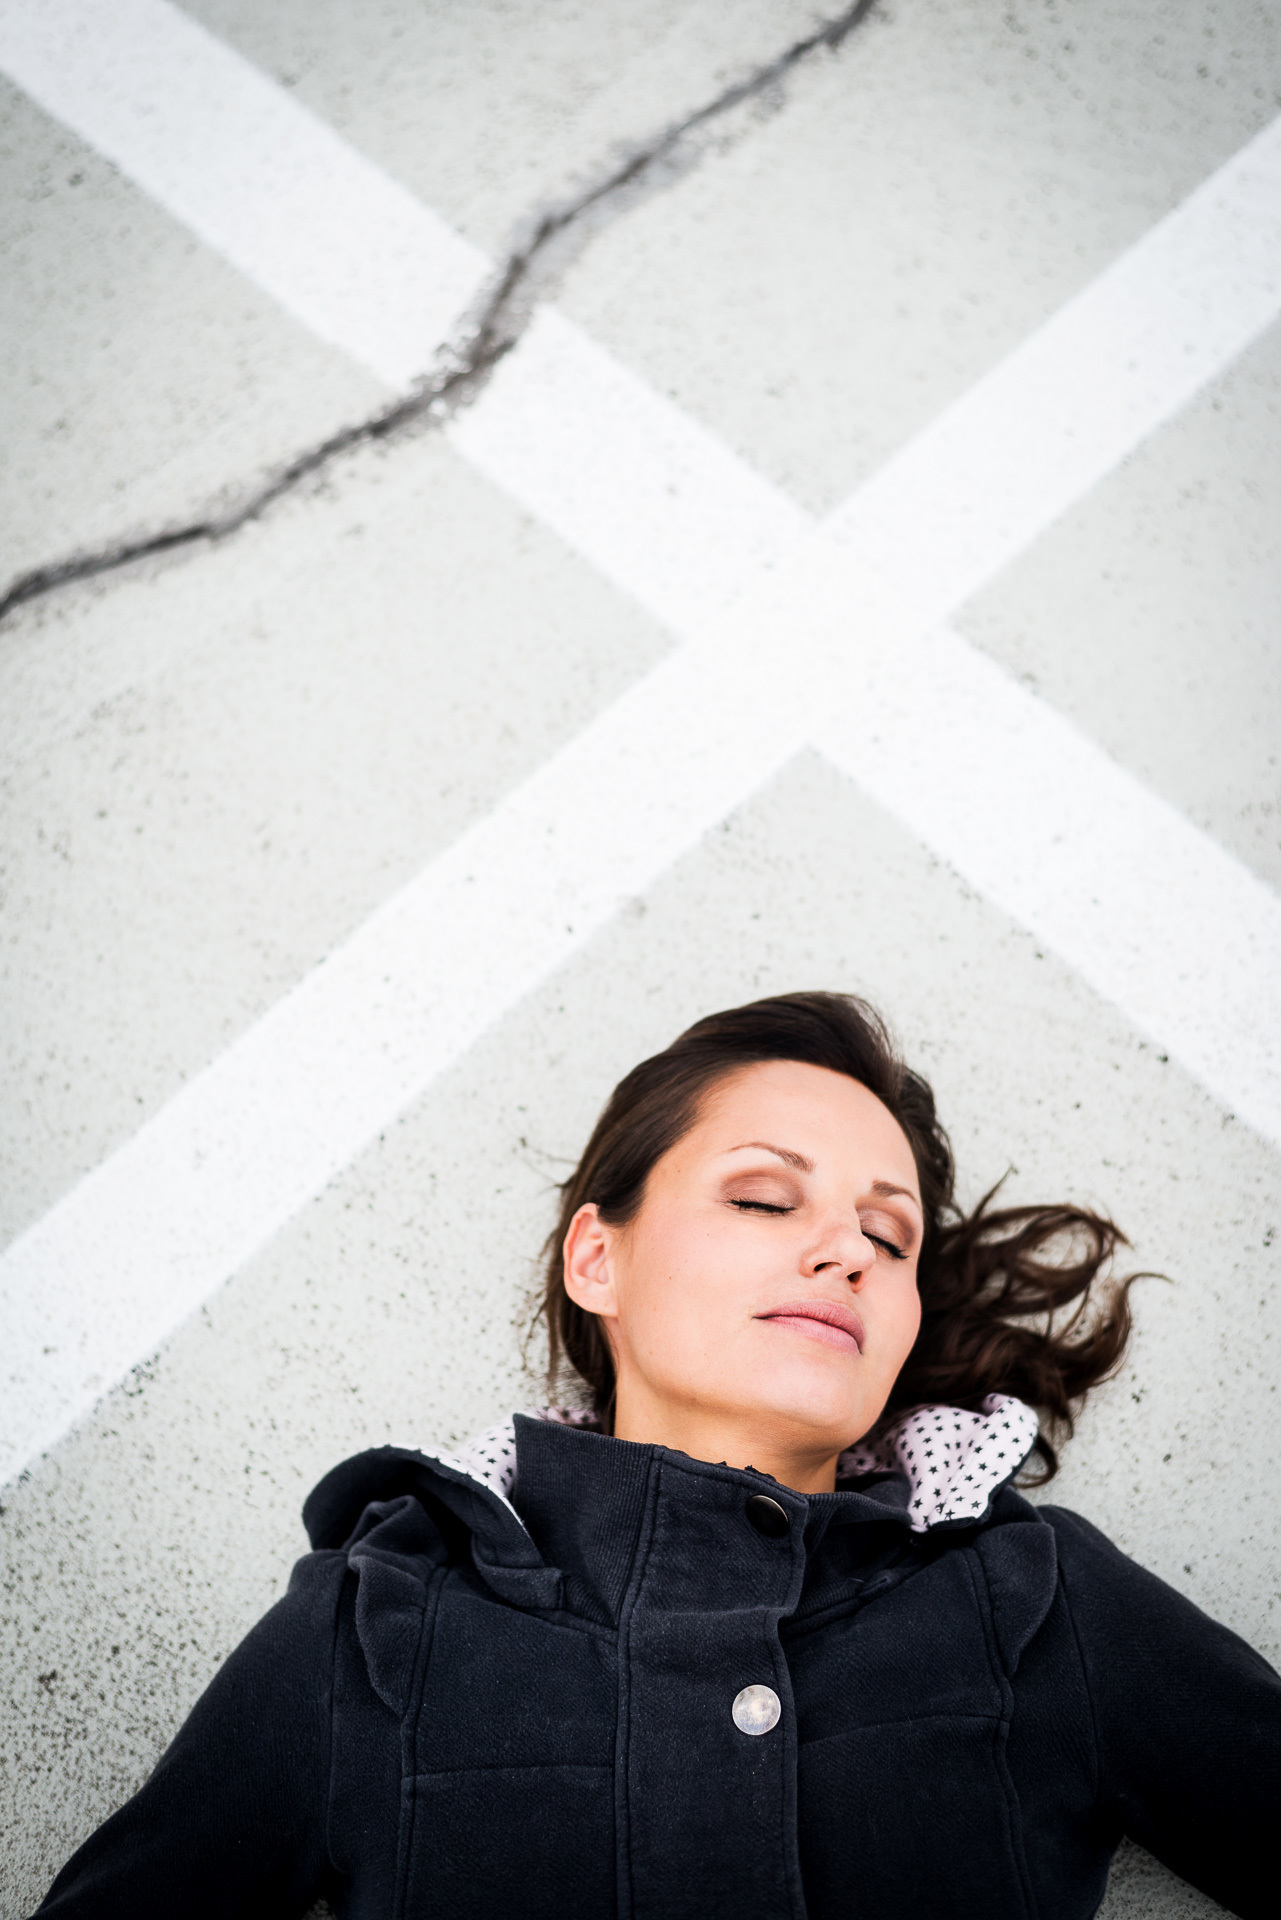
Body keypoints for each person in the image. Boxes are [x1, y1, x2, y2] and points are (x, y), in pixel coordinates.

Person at [32, 993, 1279, 1918]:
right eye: (764, 1198)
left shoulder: (1037, 1598)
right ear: (598, 1259)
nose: (848, 1251)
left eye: (890, 1238)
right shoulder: (376, 1623)